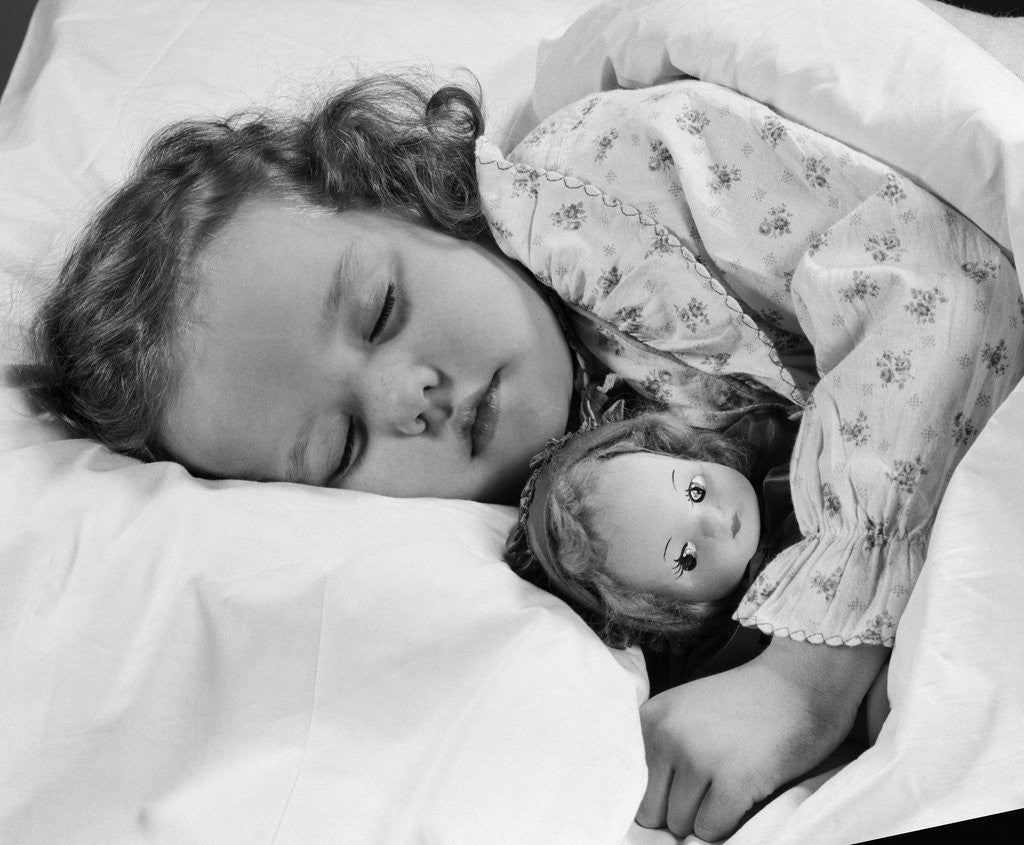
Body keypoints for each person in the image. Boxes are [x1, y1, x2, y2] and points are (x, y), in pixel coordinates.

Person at [12, 66, 1024, 840]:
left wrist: (805, 678)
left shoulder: (607, 182)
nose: (413, 394)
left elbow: (932, 278)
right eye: (346, 443)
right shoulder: (543, 552)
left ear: (404, 193)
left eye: (380, 308)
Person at [505, 407, 890, 744]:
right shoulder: (733, 651)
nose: (716, 521)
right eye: (685, 558)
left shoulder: (791, 459)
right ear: (666, 609)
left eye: (695, 490)